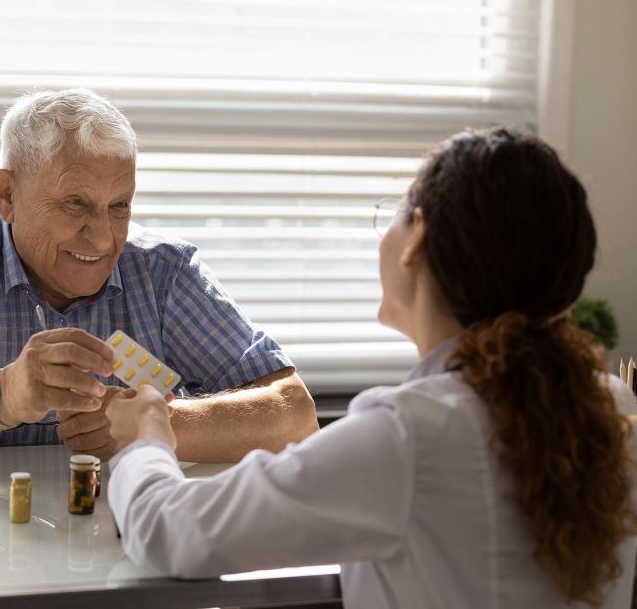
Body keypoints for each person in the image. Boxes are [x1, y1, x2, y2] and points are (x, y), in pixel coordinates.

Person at [106, 128, 637, 608]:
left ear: (417, 238)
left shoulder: (409, 435)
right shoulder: (611, 403)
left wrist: (146, 436)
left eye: (395, 214)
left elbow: (169, 534)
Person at [0, 88, 318, 468]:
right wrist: (4, 394)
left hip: (126, 543)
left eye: (119, 206)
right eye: (75, 203)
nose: (101, 239)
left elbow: (294, 415)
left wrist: (155, 426)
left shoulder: (164, 273)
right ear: (6, 194)